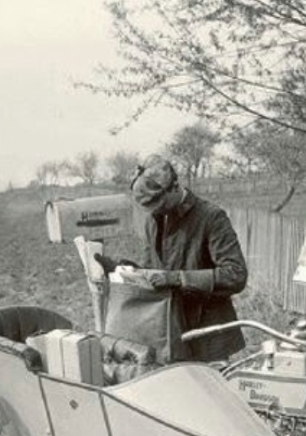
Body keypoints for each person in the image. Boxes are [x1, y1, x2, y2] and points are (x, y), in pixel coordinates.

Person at [97, 154, 248, 363]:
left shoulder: (211, 217)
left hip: (207, 336)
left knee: (206, 393)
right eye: (150, 208)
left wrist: (178, 278)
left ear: (175, 188)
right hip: (169, 331)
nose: (155, 212)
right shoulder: (154, 220)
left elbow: (236, 275)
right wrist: (126, 271)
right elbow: (155, 271)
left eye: (160, 204)